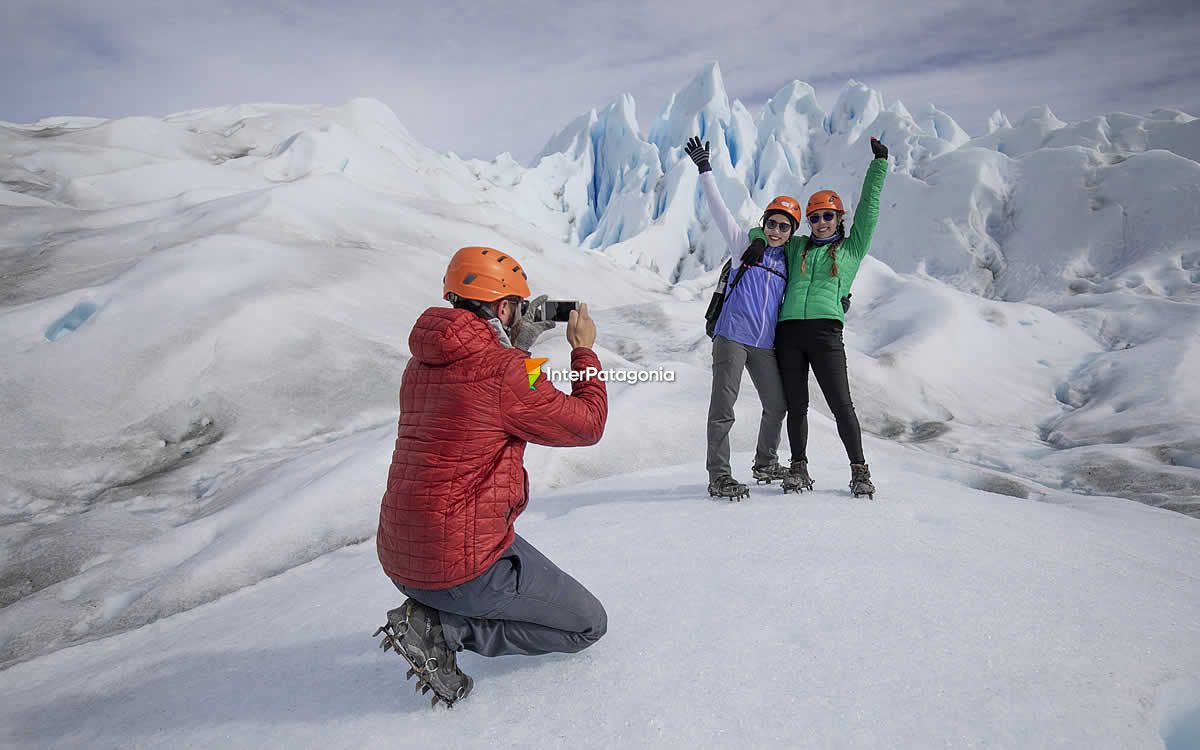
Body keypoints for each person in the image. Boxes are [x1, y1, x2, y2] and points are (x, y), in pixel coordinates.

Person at [374, 246, 609, 707]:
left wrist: (517, 347)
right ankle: (442, 628)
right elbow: (587, 423)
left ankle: (436, 612)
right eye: (517, 308)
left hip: (403, 556)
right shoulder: (507, 373)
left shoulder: (420, 365)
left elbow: (476, 388)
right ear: (503, 309)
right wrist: (583, 350)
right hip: (458, 566)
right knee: (588, 625)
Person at [748, 137, 889, 498]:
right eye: (815, 218)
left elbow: (870, 211)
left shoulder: (852, 247)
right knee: (797, 406)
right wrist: (758, 241)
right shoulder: (797, 247)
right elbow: (764, 229)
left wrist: (879, 165)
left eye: (828, 216)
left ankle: (859, 471)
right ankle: (798, 467)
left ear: (839, 217)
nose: (822, 222)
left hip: (826, 333)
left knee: (842, 405)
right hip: (789, 334)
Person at [684, 136, 797, 500]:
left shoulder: (790, 263)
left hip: (764, 345)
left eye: (784, 226)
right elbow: (720, 210)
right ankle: (719, 475)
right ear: (764, 223)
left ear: (792, 232)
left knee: (777, 405)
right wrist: (705, 170)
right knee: (723, 409)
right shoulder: (745, 248)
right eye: (772, 223)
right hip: (732, 336)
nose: (776, 230)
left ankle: (765, 463)